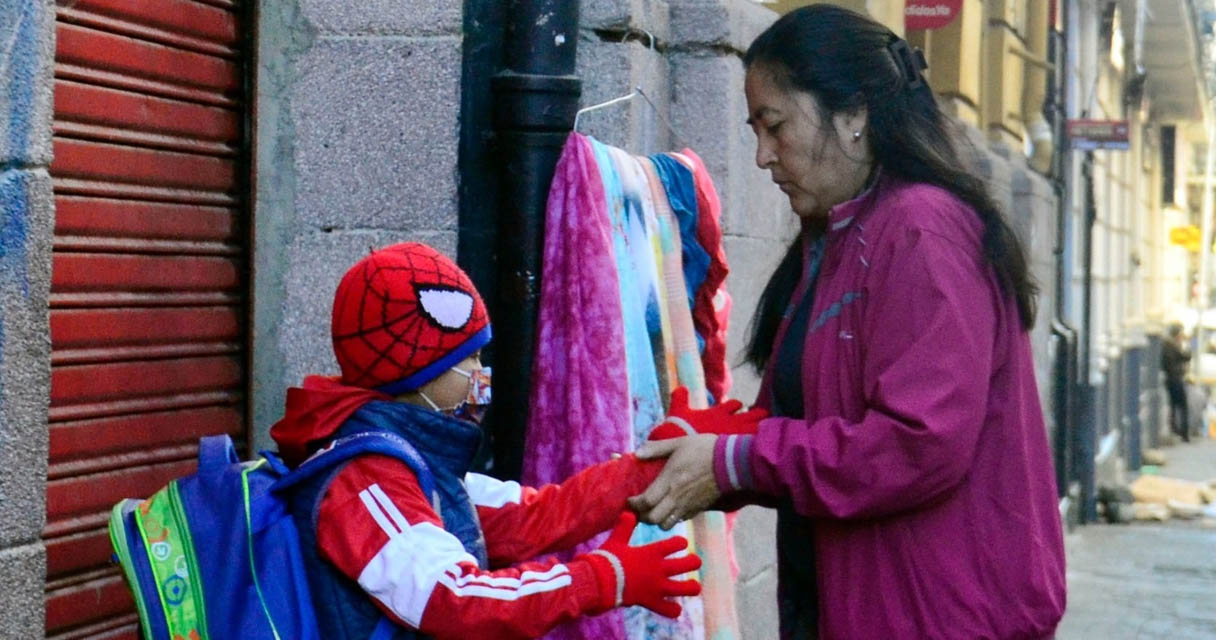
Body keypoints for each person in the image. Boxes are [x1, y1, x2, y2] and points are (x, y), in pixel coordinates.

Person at [627, 6, 1066, 639]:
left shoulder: (921, 229)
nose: (761, 157)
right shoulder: (838, 237)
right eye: (754, 130)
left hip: (937, 615)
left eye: (774, 126)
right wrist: (695, 450)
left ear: (855, 114)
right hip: (862, 603)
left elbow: (917, 443)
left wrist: (739, 462)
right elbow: (804, 423)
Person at [270, 242, 719, 640]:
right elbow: (453, 599)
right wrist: (598, 579)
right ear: (413, 370)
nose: (482, 376)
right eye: (469, 359)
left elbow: (531, 518)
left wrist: (653, 465)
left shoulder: (418, 463)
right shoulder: (366, 481)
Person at [1162, 323, 1192, 442]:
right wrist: (1186, 345)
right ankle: (1183, 432)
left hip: (1170, 379)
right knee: (1182, 406)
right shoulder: (1173, 346)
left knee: (1173, 405)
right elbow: (1186, 356)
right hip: (1176, 379)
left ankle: (1174, 428)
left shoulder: (1166, 346)